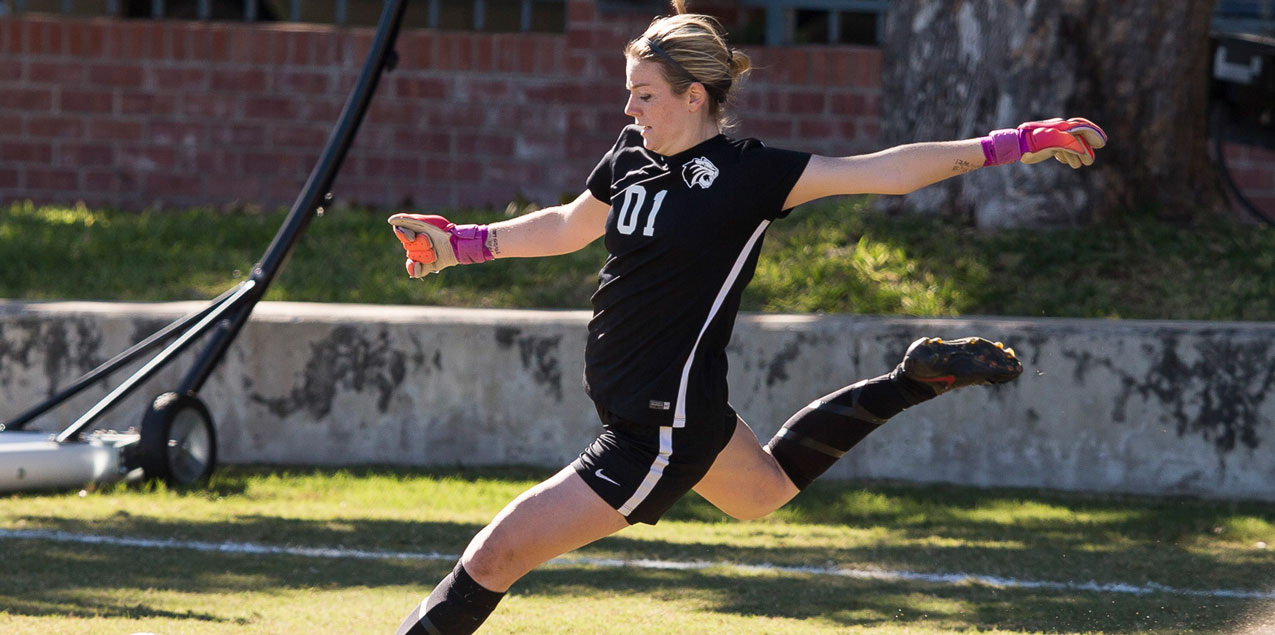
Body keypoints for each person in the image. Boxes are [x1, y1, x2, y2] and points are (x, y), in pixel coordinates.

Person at [387, 3, 1107, 632]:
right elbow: (569, 226)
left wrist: (1018, 142)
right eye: (628, 95)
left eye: (643, 96)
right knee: (760, 493)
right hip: (662, 409)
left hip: (656, 429)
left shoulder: (749, 173)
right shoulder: (632, 156)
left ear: (694, 96)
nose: (629, 111)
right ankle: (913, 380)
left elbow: (885, 169)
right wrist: (464, 245)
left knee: (496, 552)